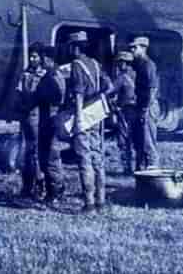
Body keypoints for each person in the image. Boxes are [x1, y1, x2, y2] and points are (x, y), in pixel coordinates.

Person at [66, 31, 113, 213]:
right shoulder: (95, 63)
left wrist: (78, 118)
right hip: (97, 114)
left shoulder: (76, 65)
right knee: (97, 158)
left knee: (84, 159)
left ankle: (89, 203)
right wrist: (97, 97)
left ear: (75, 47)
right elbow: (108, 87)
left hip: (83, 115)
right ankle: (101, 202)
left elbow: (78, 94)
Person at [31, 46, 67, 204]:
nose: (41, 60)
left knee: (50, 157)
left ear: (48, 59)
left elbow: (56, 97)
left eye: (43, 57)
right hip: (51, 118)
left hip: (50, 119)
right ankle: (54, 190)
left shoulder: (52, 76)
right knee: (49, 156)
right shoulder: (57, 74)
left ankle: (55, 192)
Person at [16, 42, 47, 199]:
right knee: (26, 153)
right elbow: (19, 93)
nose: (33, 59)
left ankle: (40, 184)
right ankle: (27, 185)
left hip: (39, 117)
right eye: (31, 56)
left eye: (36, 56)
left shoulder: (44, 75)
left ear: (41, 58)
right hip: (26, 117)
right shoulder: (25, 74)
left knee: (36, 152)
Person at [129, 36, 160, 170]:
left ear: (143, 48)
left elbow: (152, 89)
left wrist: (146, 109)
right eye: (131, 48)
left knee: (148, 141)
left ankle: (153, 170)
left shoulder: (148, 65)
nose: (132, 50)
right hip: (141, 105)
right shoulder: (139, 64)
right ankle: (142, 169)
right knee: (140, 139)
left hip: (148, 106)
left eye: (135, 48)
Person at [112, 51, 138, 175]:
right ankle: (139, 167)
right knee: (136, 139)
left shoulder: (122, 77)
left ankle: (127, 168)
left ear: (124, 63)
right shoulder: (137, 74)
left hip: (125, 111)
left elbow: (110, 91)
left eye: (120, 62)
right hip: (137, 110)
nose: (118, 65)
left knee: (123, 140)